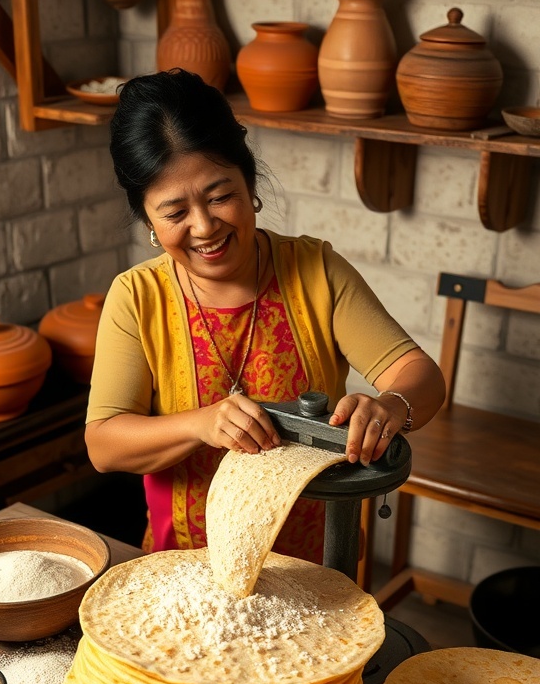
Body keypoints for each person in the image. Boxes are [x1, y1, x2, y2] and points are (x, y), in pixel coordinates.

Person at [85, 68, 445, 562]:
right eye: (174, 213)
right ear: (148, 218)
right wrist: (201, 424)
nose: (204, 226)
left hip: (316, 563)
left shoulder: (315, 271)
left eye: (220, 196)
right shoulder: (136, 298)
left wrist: (390, 407)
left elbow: (420, 375)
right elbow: (104, 444)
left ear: (249, 180)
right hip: (185, 572)